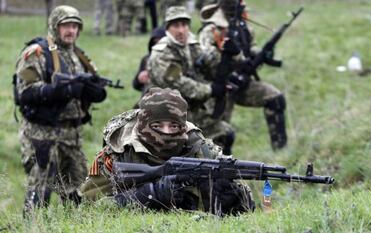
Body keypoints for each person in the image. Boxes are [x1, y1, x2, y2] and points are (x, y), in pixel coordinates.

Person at [80, 87, 255, 215]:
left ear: (184, 126)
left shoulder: (204, 151)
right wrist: (147, 195)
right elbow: (88, 209)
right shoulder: (117, 154)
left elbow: (249, 207)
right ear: (142, 126)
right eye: (157, 126)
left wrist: (235, 199)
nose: (166, 132)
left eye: (174, 126)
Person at [14, 5, 107, 214]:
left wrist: (93, 91)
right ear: (55, 26)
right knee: (40, 189)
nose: (71, 30)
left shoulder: (78, 56)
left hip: (72, 135)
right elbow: (25, 93)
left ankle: (76, 225)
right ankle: (33, 227)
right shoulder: (37, 53)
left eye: (75, 26)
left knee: (81, 193)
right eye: (66, 25)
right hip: (42, 134)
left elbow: (92, 86)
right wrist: (56, 90)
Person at [198, 0, 288, 150]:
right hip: (220, 88)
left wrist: (262, 54)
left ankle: (281, 150)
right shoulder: (212, 29)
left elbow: (250, 47)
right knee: (220, 134)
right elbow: (204, 57)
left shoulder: (243, 25)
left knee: (276, 99)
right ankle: (219, 169)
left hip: (243, 83)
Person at [146, 6, 235, 155]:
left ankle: (220, 173)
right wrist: (210, 90)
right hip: (167, 118)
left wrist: (226, 54)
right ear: (168, 28)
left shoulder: (192, 45)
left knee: (225, 134)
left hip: (192, 112)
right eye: (176, 25)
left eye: (184, 25)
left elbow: (208, 64)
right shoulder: (161, 53)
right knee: (187, 154)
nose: (181, 30)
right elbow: (177, 84)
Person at [132, 26, 166, 94]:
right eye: (155, 42)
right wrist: (139, 79)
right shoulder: (146, 59)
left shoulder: (174, 59)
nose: (158, 44)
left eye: (161, 42)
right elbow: (136, 85)